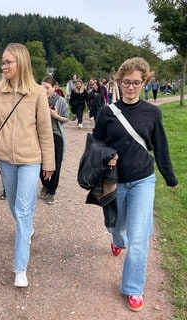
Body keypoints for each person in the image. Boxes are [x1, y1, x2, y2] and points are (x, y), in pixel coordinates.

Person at [92, 57, 178, 312]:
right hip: (115, 181)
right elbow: (96, 143)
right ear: (119, 82)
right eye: (126, 82)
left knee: (139, 238)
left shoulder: (152, 112)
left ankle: (133, 288)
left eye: (136, 83)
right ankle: (117, 241)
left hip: (142, 180)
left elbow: (160, 146)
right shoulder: (107, 113)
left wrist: (169, 177)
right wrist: (107, 154)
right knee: (117, 227)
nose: (131, 87)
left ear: (145, 82)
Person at [0, 43, 55, 287]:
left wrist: (49, 163)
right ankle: (28, 227)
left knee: (23, 211)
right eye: (2, 62)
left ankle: (20, 269)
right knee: (14, 205)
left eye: (8, 62)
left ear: (21, 63)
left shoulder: (36, 93)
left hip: (30, 160)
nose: (3, 66)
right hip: (5, 160)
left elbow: (45, 131)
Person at [40, 75, 69, 205]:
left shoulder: (60, 101)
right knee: (40, 164)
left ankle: (52, 191)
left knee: (56, 166)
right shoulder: (38, 100)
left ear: (54, 88)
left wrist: (55, 115)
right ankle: (45, 184)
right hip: (40, 136)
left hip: (55, 135)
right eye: (42, 87)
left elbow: (66, 118)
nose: (44, 89)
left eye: (47, 87)